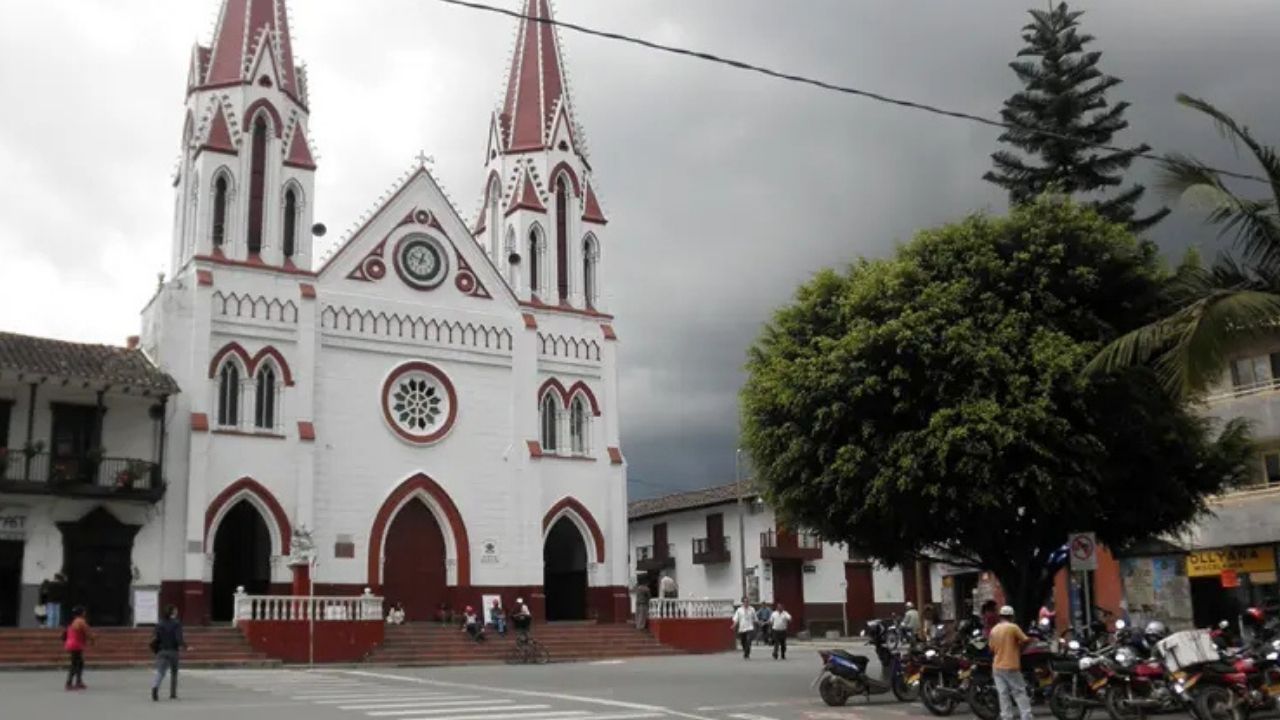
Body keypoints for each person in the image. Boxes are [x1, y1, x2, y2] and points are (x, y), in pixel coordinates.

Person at [989, 605, 1033, 720]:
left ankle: (1006, 717)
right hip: (1011, 665)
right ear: (1012, 616)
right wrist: (1019, 649)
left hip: (997, 666)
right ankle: (1026, 716)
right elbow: (1026, 640)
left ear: (1000, 616)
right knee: (1019, 692)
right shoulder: (1013, 627)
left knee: (1003, 694)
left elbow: (991, 648)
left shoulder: (994, 629)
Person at [151, 605, 189, 701]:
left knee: (160, 671)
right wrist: (186, 646)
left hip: (161, 650)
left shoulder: (160, 623)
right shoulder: (176, 623)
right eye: (175, 610)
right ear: (173, 612)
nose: (177, 612)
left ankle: (155, 686)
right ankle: (173, 694)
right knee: (174, 672)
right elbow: (178, 638)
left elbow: (155, 637)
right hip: (173, 651)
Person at [64, 606, 91, 690]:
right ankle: (69, 683)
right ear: (82, 613)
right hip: (76, 645)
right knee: (76, 664)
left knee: (79, 663)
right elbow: (87, 632)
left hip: (72, 644)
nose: (85, 613)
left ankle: (78, 681)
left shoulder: (73, 621)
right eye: (84, 611)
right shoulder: (81, 621)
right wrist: (93, 639)